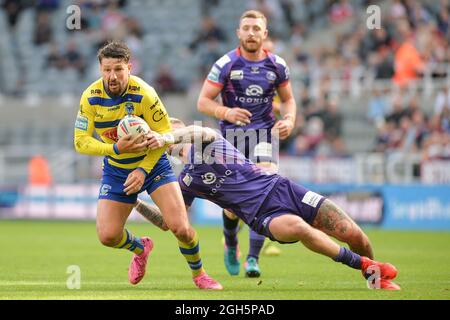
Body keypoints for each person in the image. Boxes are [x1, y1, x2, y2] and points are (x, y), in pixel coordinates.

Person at [137, 120, 401, 290]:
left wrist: (168, 136)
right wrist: (135, 201)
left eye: (173, 129)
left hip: (285, 189)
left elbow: (198, 131)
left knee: (354, 233)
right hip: (261, 215)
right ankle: (365, 266)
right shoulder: (185, 181)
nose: (170, 136)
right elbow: (167, 221)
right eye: (166, 134)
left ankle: (375, 280)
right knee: (300, 228)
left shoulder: (208, 140)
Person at [73, 41, 222, 290]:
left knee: (181, 228)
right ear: (100, 69)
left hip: (153, 165)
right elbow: (80, 142)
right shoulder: (91, 97)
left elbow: (165, 134)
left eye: (118, 69)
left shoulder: (145, 93)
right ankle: (141, 248)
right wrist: (115, 149)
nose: (112, 76)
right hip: (116, 169)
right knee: (108, 236)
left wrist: (143, 169)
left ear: (129, 67)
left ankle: (200, 275)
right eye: (107, 70)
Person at [197, 10, 297, 277]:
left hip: (264, 135)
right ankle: (231, 243)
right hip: (232, 139)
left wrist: (289, 119)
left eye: (256, 28)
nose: (251, 33)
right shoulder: (225, 64)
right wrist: (226, 112)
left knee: (263, 192)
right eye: (247, 28)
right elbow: (203, 101)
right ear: (238, 33)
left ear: (265, 34)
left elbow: (288, 100)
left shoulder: (277, 65)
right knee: (232, 208)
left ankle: (252, 259)